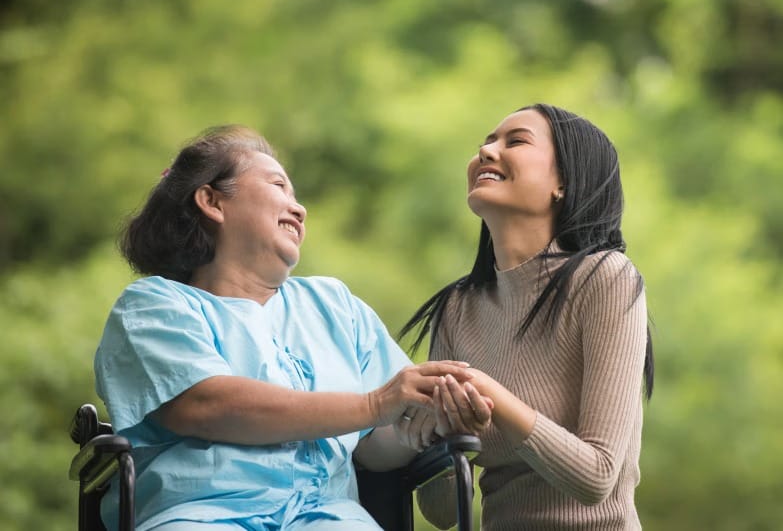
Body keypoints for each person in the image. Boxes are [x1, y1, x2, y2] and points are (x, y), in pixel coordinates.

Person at [93, 124, 477, 531]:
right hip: (201, 513)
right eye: (279, 186)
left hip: (327, 516)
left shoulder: (335, 306)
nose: (299, 209)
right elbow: (208, 406)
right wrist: (375, 404)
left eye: (296, 196)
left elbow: (374, 449)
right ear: (212, 201)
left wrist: (427, 423)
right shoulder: (154, 306)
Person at [397, 104, 654, 530]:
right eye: (485, 141)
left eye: (514, 141)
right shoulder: (458, 308)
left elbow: (596, 476)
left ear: (563, 183)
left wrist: (490, 395)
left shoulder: (606, 279)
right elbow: (442, 515)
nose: (486, 150)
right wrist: (441, 433)